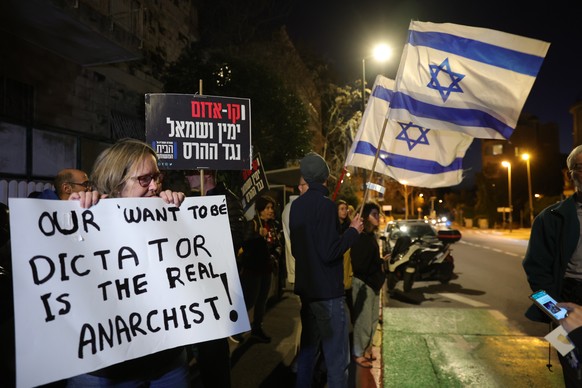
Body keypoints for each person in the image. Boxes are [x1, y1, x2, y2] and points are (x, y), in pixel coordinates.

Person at [67, 138, 188, 387]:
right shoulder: (85, 215)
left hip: (167, 365)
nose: (155, 185)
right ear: (116, 181)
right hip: (104, 371)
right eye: (145, 179)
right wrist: (71, 220)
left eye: (157, 177)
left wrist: (179, 213)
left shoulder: (168, 211)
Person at [290, 152, 363, 388]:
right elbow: (330, 252)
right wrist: (352, 232)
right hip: (327, 294)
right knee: (336, 361)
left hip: (307, 291)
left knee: (308, 353)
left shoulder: (296, 206)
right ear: (326, 177)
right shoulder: (327, 206)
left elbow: (298, 249)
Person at [523, 144, 582, 387]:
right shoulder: (550, 218)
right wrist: (558, 316)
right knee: (574, 373)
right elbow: (535, 275)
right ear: (571, 174)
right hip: (566, 302)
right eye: (581, 167)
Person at [183, 169, 246, 388]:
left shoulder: (228, 201)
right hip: (193, 292)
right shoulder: (190, 199)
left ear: (206, 174)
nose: (186, 177)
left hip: (215, 293)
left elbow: (233, 242)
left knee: (214, 357)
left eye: (189, 172)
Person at [235, 194, 283, 344]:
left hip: (266, 270)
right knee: (250, 300)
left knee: (262, 301)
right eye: (267, 208)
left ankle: (257, 329)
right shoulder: (253, 224)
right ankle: (235, 328)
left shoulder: (273, 225)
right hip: (253, 270)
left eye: (272, 208)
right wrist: (257, 236)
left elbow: (277, 245)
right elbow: (245, 246)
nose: (270, 211)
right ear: (260, 210)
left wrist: (274, 256)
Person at [350, 202, 387, 369]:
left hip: (373, 283)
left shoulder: (371, 235)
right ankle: (358, 352)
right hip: (363, 284)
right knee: (363, 321)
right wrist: (375, 264)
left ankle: (366, 349)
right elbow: (359, 264)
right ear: (365, 217)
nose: (377, 217)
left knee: (372, 320)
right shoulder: (360, 236)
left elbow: (370, 261)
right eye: (374, 214)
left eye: (378, 214)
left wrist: (380, 261)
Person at [282, 178, 309, 287]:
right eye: (308, 185)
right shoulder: (293, 208)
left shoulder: (298, 207)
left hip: (303, 269)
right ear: (300, 187)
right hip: (301, 269)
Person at [337, 199, 354, 323]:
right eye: (341, 209)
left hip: (348, 270)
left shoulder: (349, 226)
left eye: (345, 209)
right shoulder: (332, 227)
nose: (344, 211)